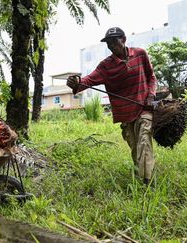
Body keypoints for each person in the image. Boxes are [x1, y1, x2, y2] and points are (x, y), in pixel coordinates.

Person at [67, 27, 157, 185]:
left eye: (114, 41)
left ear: (123, 39)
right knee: (136, 150)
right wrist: (75, 83)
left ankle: (147, 183)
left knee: (144, 142)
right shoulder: (106, 66)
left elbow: (151, 77)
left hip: (144, 108)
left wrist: (151, 95)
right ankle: (143, 174)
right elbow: (87, 81)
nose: (111, 45)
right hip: (125, 116)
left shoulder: (140, 54)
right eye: (108, 43)